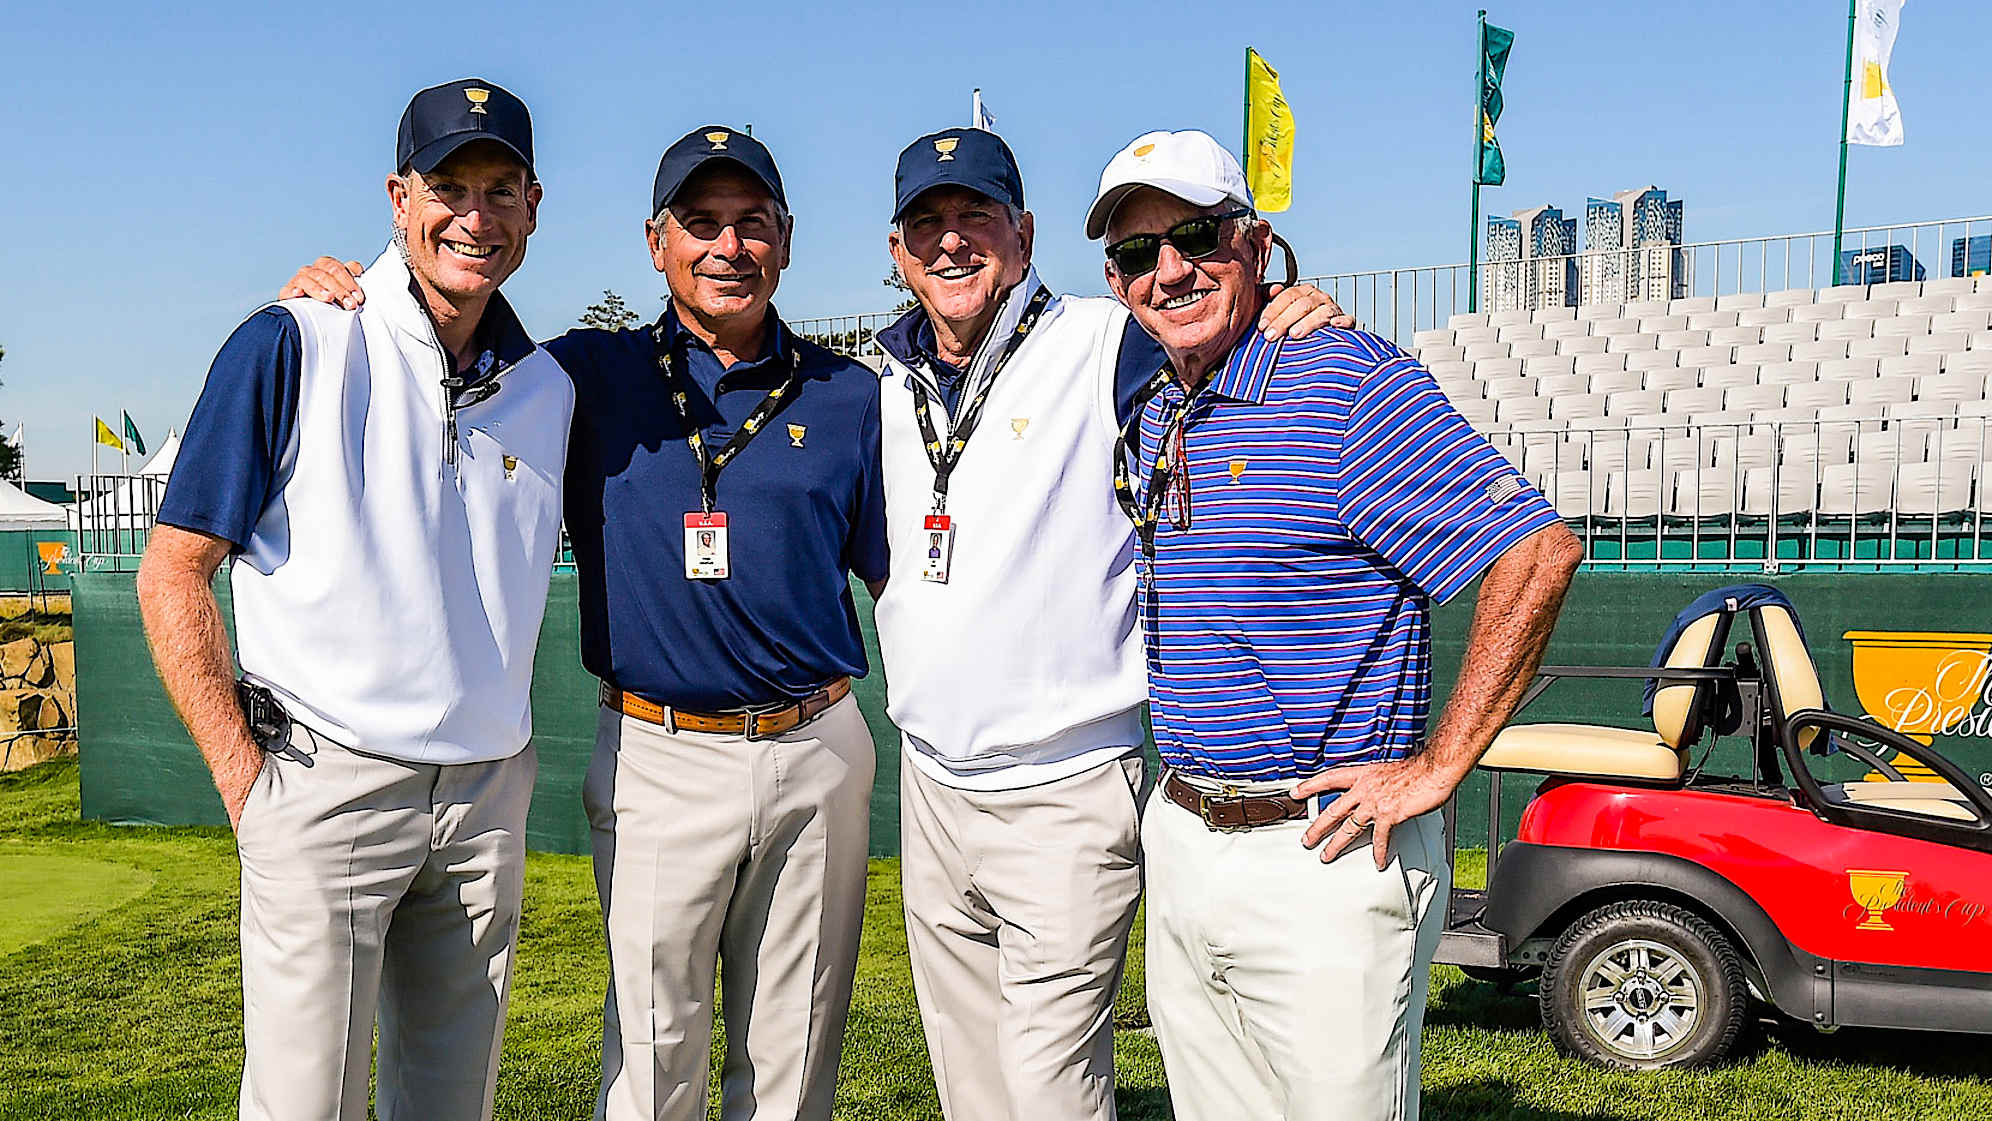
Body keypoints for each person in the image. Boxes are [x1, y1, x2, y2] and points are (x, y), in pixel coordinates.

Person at [279, 125, 887, 1121]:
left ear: (786, 237)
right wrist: (329, 296)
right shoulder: (578, 377)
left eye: (752, 223)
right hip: (657, 750)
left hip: (817, 746)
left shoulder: (851, 393)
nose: (729, 246)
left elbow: (906, 571)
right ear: (657, 244)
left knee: (794, 1056)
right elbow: (444, 348)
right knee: (656, 1061)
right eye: (701, 224)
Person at [1089, 129, 1583, 1121]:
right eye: (1140, 252)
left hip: (1323, 851)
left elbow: (1537, 551)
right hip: (1186, 836)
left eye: (1195, 237)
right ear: (1115, 278)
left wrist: (1439, 766)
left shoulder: (1347, 380)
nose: (1170, 270)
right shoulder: (1154, 404)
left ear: (1257, 247)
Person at [871, 127, 1347, 1121]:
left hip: (1064, 787)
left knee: (1050, 1085)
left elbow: (1215, 339)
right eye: (928, 224)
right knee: (971, 1083)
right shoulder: (877, 377)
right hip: (931, 782)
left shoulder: (1102, 336)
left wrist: (1289, 305)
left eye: (976, 218)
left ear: (1025, 232)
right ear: (897, 251)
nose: (951, 242)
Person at [137, 78, 570, 1121]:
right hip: (323, 779)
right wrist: (250, 787)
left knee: (449, 1102)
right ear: (397, 197)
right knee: (303, 1104)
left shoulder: (550, 387)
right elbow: (173, 568)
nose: (474, 215)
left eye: (500, 188)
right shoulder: (296, 337)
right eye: (447, 186)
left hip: (481, 795)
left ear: (533, 206)